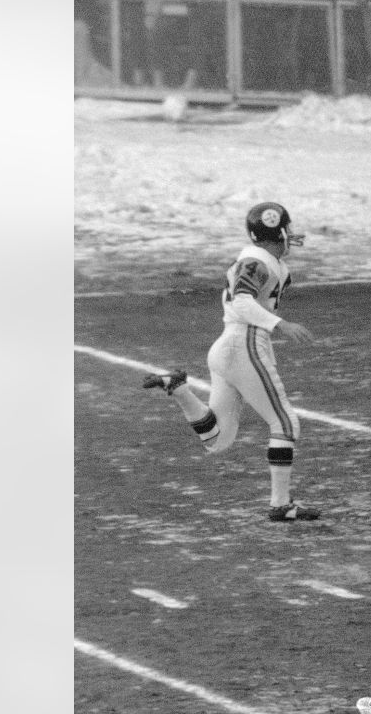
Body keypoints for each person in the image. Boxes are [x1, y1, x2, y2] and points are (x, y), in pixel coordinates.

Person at [142, 203, 321, 523]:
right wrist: (281, 325)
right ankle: (280, 504)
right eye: (287, 228)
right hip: (244, 344)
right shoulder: (257, 261)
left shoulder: (263, 261)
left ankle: (179, 388)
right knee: (286, 423)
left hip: (230, 346)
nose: (291, 234)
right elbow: (241, 301)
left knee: (218, 440)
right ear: (274, 229)